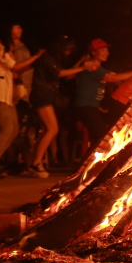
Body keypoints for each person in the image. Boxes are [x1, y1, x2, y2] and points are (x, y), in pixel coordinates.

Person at [0, 37, 43, 179]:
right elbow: (15, 67)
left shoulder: (4, 50)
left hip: (5, 94)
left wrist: (34, 62)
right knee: (7, 128)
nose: (21, 31)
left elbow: (16, 70)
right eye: (17, 28)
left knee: (13, 129)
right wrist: (35, 57)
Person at [25, 35, 84, 178]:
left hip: (44, 94)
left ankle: (33, 163)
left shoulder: (51, 58)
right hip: (42, 94)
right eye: (67, 49)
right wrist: (82, 68)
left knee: (46, 130)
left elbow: (64, 74)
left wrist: (80, 65)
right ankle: (36, 163)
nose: (68, 52)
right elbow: (60, 73)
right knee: (53, 129)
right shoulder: (46, 56)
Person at [73, 39, 132, 155]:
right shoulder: (91, 67)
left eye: (107, 50)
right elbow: (113, 79)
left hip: (92, 108)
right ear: (94, 52)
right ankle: (89, 167)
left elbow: (116, 76)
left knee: (103, 136)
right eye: (103, 50)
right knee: (102, 137)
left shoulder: (100, 69)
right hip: (86, 108)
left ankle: (89, 166)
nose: (107, 52)